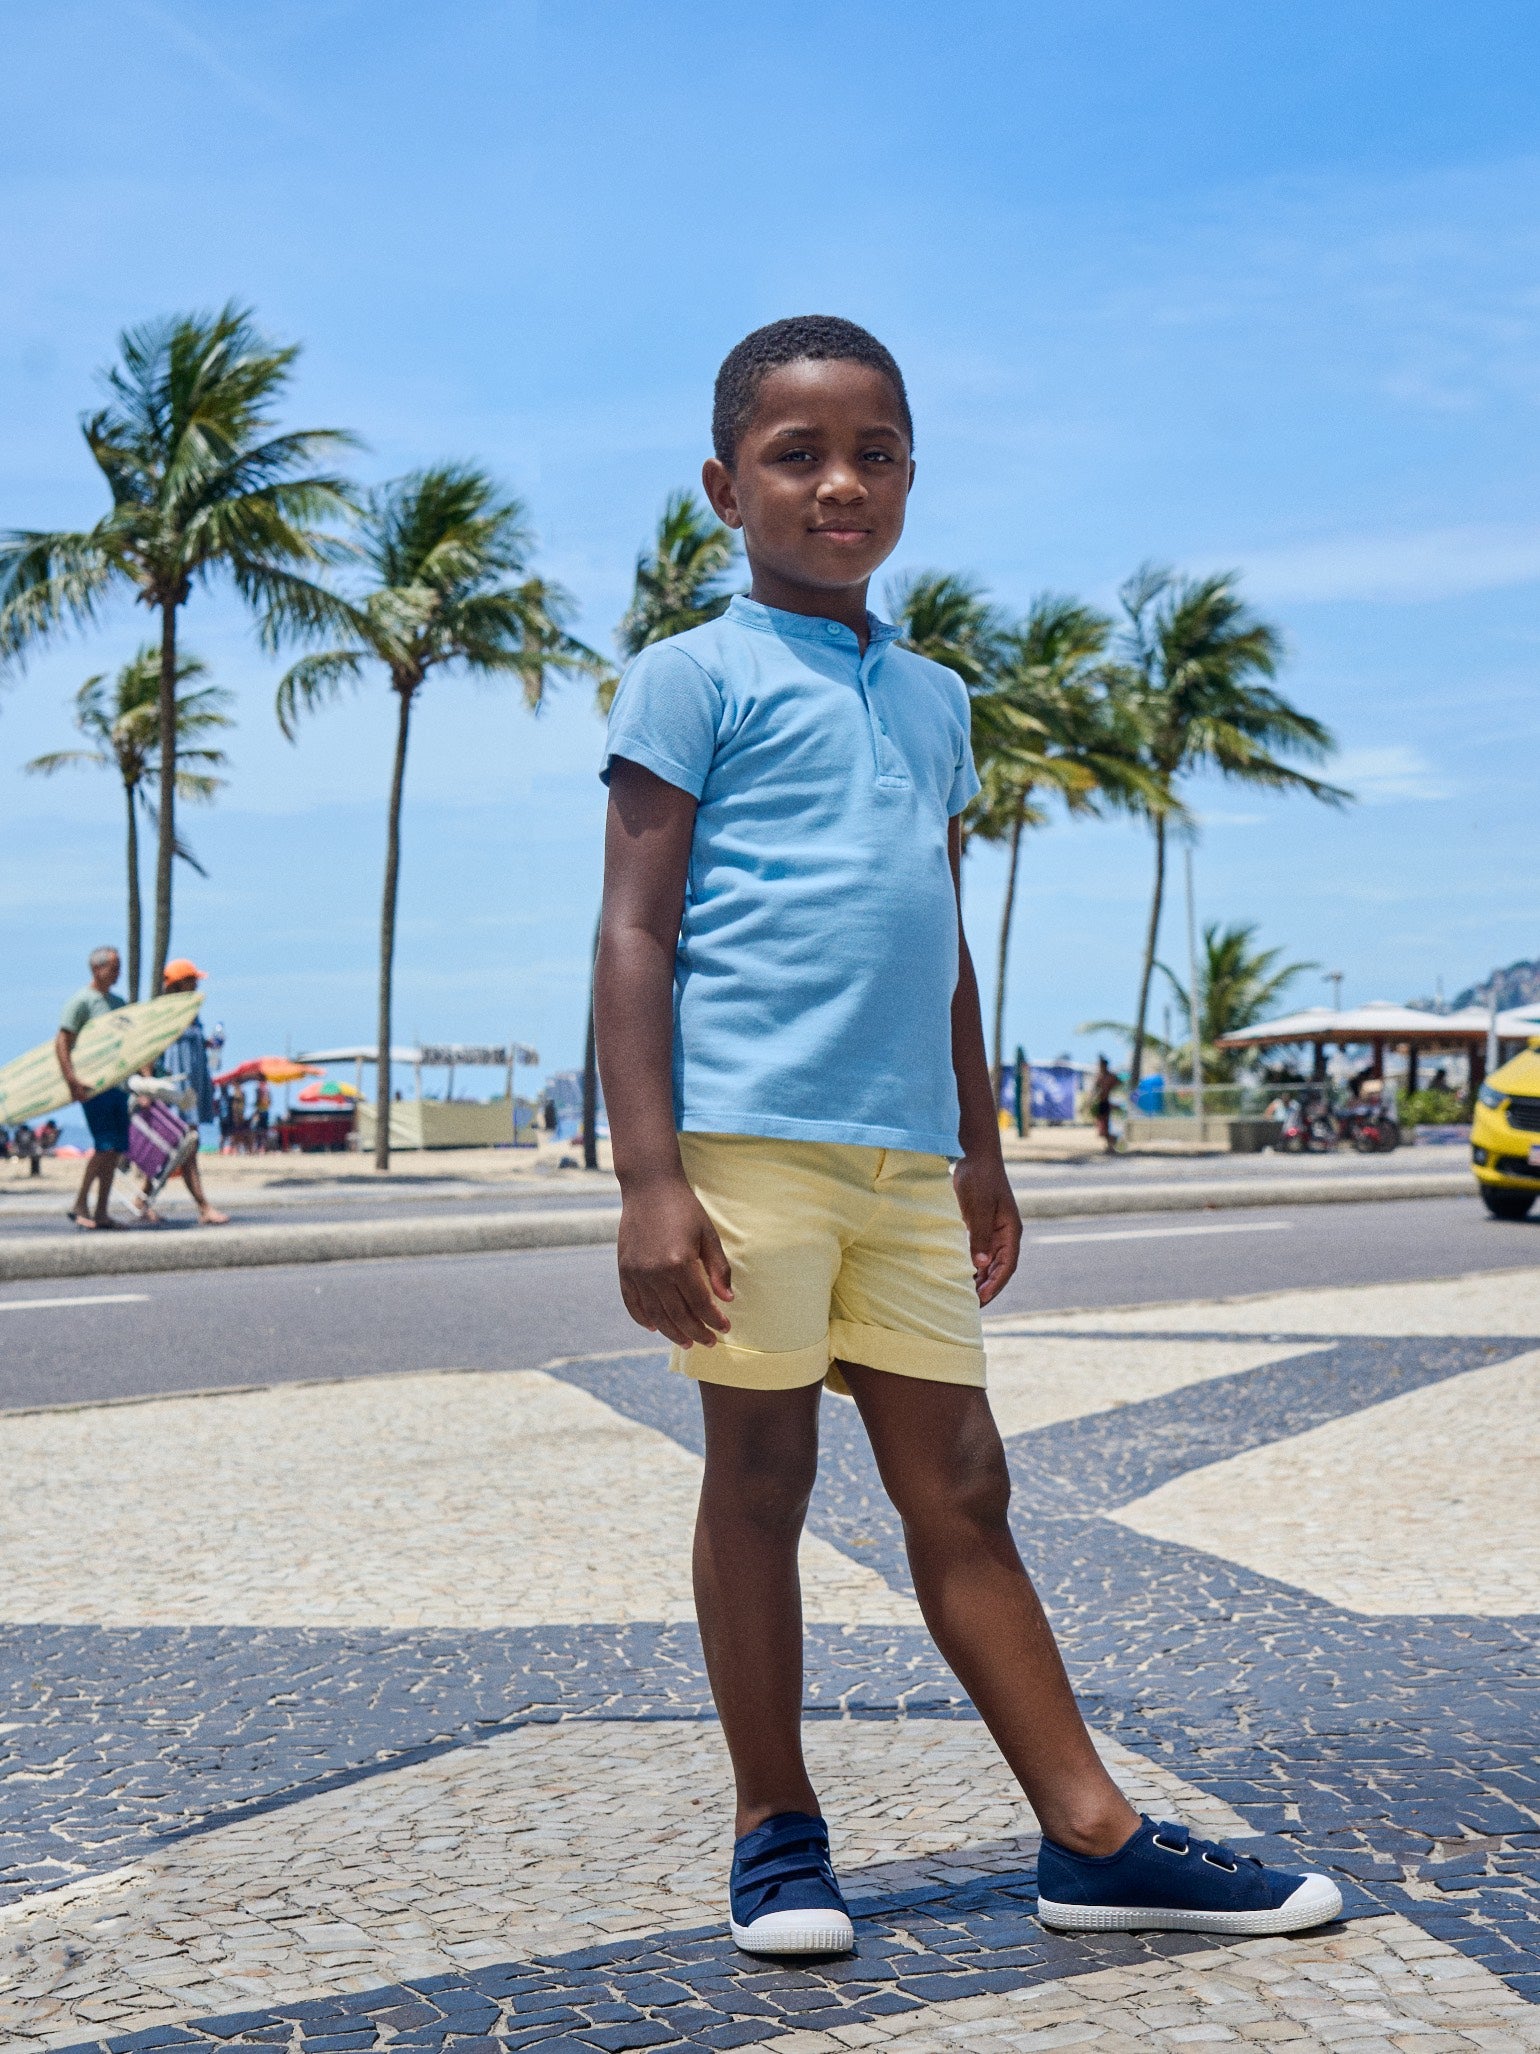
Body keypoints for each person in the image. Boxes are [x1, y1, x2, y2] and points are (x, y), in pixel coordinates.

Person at [595, 316, 1341, 1957]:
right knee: (763, 1470)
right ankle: (777, 1827)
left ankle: (1092, 1836)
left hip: (901, 1159)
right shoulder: (693, 672)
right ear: (727, 486)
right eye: (796, 455)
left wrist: (981, 1145)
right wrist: (649, 1177)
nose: (839, 481)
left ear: (913, 476)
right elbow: (636, 930)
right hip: (747, 1142)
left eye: (874, 451)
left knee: (966, 1483)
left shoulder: (934, 700)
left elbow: (936, 933)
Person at [133, 959, 229, 1226]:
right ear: (179, 984)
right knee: (186, 1147)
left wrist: (208, 1043)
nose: (197, 984)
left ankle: (143, 1200)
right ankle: (203, 1207)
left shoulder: (192, 1012)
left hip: (192, 1093)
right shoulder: (165, 1012)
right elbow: (148, 1049)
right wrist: (148, 1086)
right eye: (192, 980)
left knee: (179, 1150)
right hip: (174, 1092)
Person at [56, 946, 129, 1229]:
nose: (119, 972)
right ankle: (80, 1203)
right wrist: (71, 1080)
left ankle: (101, 1211)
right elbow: (63, 1041)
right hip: (92, 1085)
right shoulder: (81, 1002)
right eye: (115, 967)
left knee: (114, 1151)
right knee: (104, 1146)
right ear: (97, 969)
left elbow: (129, 1043)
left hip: (117, 1085)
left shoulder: (118, 1003)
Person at [1089, 1055, 1118, 1153]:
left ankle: (1111, 1145)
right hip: (1100, 1103)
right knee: (1102, 1126)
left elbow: (1118, 1088)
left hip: (1108, 1103)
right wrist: (1090, 1101)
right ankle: (1110, 1144)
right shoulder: (1099, 1077)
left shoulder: (1111, 1077)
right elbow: (1094, 1090)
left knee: (1107, 1126)